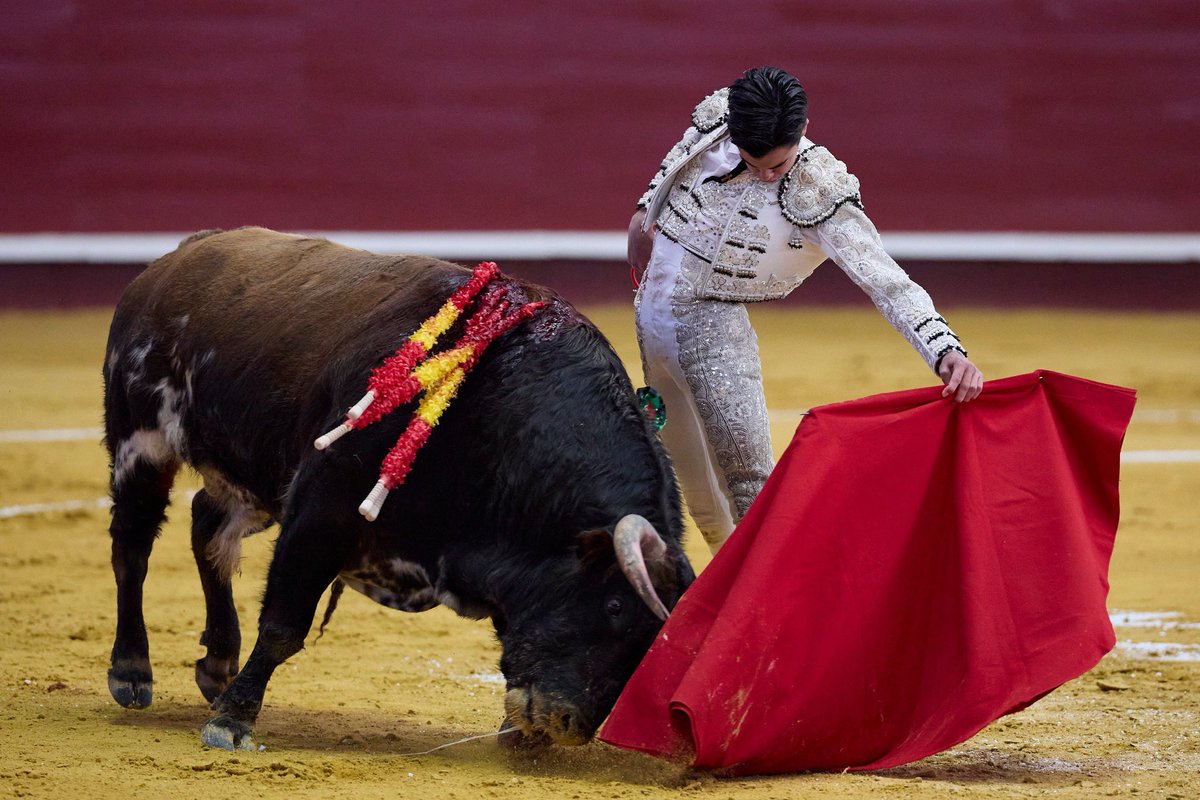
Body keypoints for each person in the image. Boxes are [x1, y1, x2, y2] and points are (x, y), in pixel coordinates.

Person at [628, 66, 983, 555]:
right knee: (700, 498)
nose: (769, 175)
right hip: (650, 324)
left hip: (715, 333)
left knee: (752, 491)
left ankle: (771, 611)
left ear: (804, 127)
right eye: (756, 163)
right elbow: (676, 164)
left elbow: (886, 280)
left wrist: (945, 351)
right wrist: (646, 211)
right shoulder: (717, 121)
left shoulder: (818, 188)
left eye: (779, 164)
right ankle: (733, 602)